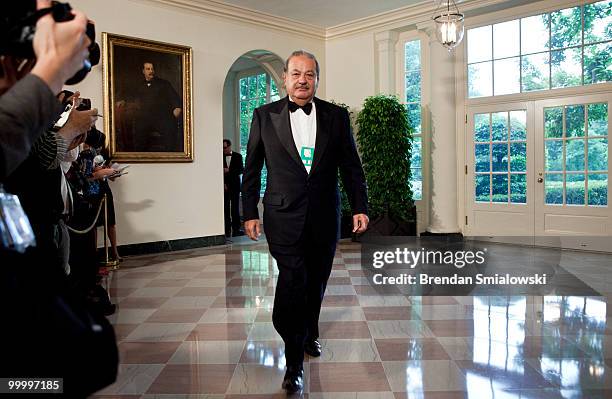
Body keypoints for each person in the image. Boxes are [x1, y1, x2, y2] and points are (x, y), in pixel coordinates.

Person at [241, 50, 369, 393]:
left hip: (325, 217)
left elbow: (351, 167)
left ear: (316, 79)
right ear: (284, 77)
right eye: (296, 73)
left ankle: (310, 330)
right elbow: (251, 168)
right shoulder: (264, 116)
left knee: (317, 283)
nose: (302, 80)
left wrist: (360, 206)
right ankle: (293, 360)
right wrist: (249, 212)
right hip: (283, 217)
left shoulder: (336, 116)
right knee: (294, 282)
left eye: (309, 74)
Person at [130, 61, 183, 152]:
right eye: (148, 69)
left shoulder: (164, 83)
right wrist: (123, 101)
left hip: (161, 117)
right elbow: (131, 97)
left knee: (170, 129)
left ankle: (170, 156)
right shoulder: (138, 85)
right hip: (145, 118)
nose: (151, 71)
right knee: (138, 133)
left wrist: (177, 107)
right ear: (143, 71)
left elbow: (174, 96)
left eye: (152, 69)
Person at [223, 138, 244, 237]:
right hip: (224, 186)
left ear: (230, 146)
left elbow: (241, 170)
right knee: (225, 208)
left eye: (225, 147)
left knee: (235, 208)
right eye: (222, 148)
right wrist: (223, 184)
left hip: (235, 186)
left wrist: (228, 170)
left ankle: (236, 229)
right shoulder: (219, 156)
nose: (224, 150)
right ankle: (226, 230)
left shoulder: (238, 156)